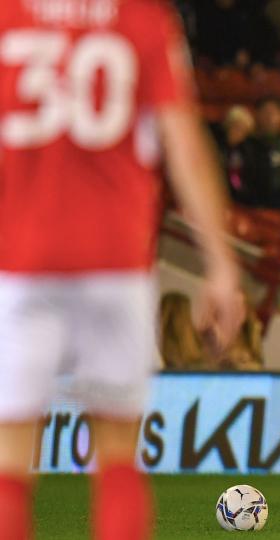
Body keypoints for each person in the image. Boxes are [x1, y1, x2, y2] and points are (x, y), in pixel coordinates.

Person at [0, 2, 244, 539]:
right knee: (116, 454)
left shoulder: (9, 16)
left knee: (10, 458)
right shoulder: (144, 18)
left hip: (20, 261)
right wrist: (221, 265)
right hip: (114, 262)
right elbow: (182, 142)